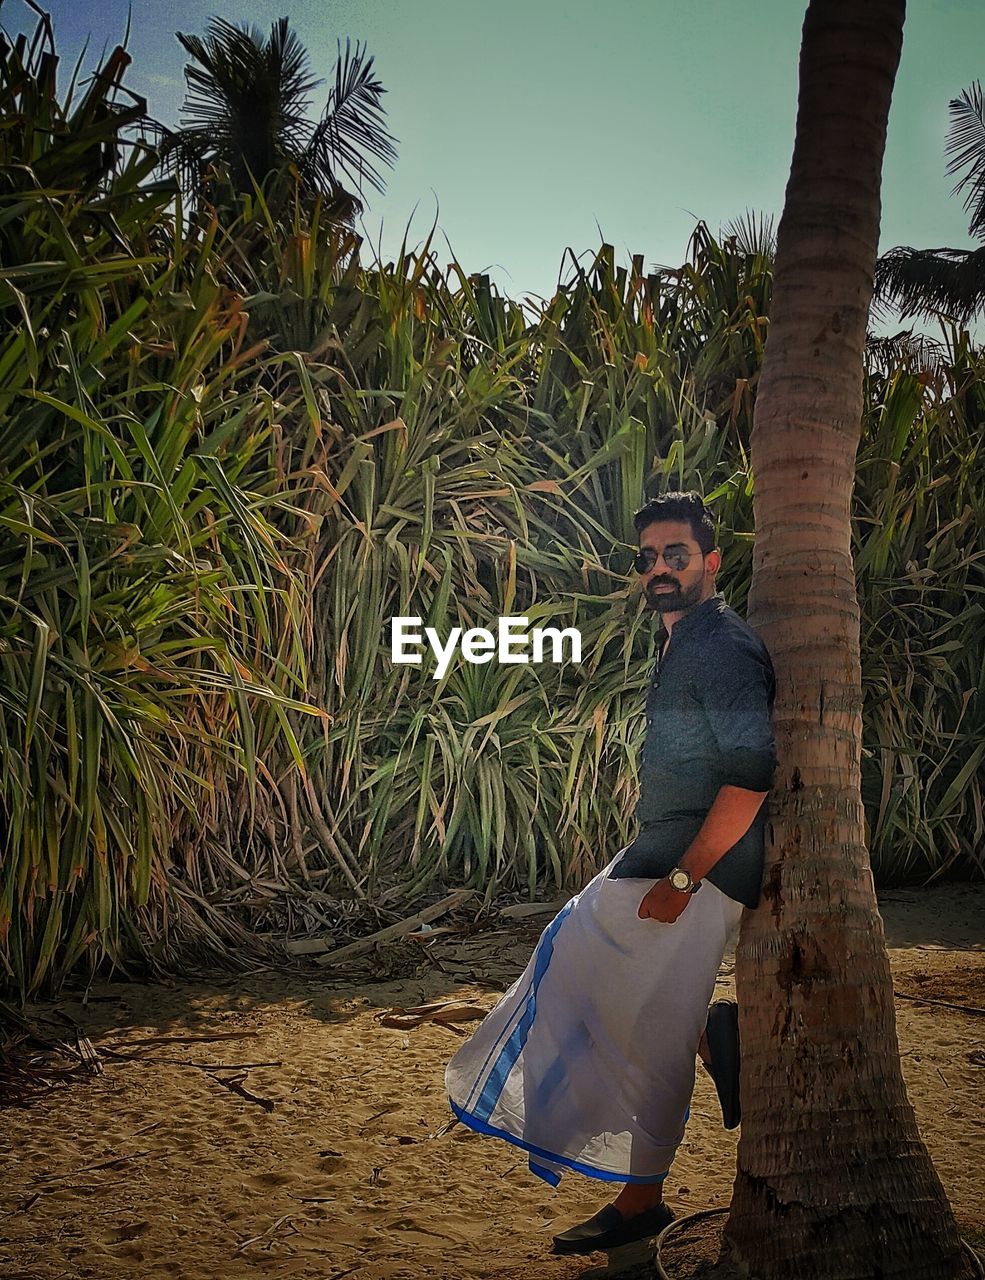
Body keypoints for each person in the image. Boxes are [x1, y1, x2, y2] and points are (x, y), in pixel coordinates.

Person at [445, 491, 777, 1255]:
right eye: (648, 558)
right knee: (577, 963)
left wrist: (687, 880)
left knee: (614, 1003)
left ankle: (641, 1199)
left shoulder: (719, 645)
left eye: (676, 556)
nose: (659, 569)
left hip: (693, 868)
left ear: (710, 562)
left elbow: (750, 776)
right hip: (663, 855)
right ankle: (707, 1038)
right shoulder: (683, 641)